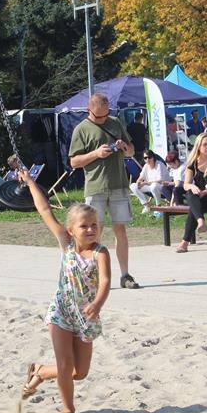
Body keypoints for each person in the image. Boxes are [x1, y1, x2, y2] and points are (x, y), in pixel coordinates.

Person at [17, 167, 111, 413]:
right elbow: (45, 210)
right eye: (84, 226)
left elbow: (105, 281)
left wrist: (97, 303)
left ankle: (40, 371)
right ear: (71, 230)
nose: (90, 229)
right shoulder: (66, 244)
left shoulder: (101, 252)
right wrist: (30, 181)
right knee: (65, 364)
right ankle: (68, 410)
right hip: (61, 311)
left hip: (86, 316)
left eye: (94, 225)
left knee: (79, 372)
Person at [69, 93, 140, 289]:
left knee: (120, 230)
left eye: (106, 115)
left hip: (119, 184)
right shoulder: (81, 129)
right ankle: (94, 276)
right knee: (93, 232)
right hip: (95, 186)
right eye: (99, 116)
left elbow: (132, 151)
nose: (103, 119)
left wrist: (124, 147)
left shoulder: (115, 122)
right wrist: (96, 153)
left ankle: (125, 275)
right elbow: (74, 161)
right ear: (88, 110)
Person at [175, 133, 207, 253]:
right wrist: (192, 186)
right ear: (198, 146)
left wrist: (206, 191)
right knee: (190, 193)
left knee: (193, 207)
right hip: (198, 198)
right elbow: (186, 184)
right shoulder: (193, 162)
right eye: (205, 145)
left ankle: (185, 242)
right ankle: (200, 221)